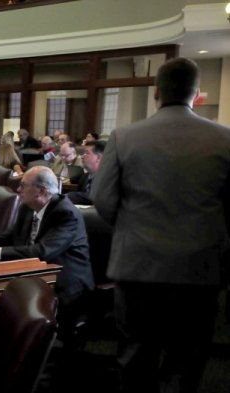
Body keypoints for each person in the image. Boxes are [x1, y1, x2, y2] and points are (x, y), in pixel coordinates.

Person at [92, 57, 230, 393]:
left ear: (156, 92)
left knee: (135, 355)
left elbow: (102, 198)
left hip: (137, 265)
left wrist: (132, 226)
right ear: (196, 94)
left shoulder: (124, 136)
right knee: (186, 360)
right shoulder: (225, 138)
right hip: (199, 268)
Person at [0, 166, 93, 331]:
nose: (18, 189)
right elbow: (7, 237)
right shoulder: (27, 208)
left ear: (41, 191)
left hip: (64, 282)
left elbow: (42, 252)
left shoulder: (66, 213)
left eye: (23, 185)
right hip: (32, 272)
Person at [66, 140, 104, 205]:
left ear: (98, 158)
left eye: (87, 153)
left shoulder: (107, 178)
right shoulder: (85, 177)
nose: (82, 156)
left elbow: (93, 197)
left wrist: (66, 196)